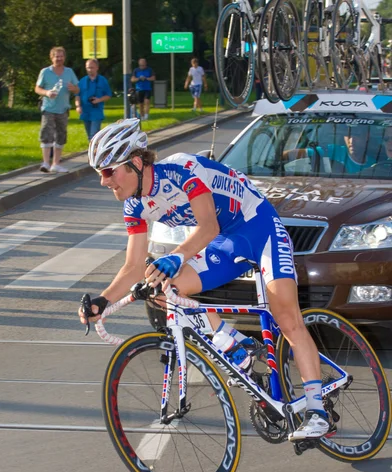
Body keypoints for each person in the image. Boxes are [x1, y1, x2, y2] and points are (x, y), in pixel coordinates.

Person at [78, 119, 333, 442]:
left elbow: (208, 227)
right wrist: (102, 301)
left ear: (136, 163)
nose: (104, 182)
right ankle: (233, 344)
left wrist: (177, 256)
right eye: (100, 173)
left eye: (108, 171)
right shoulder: (134, 205)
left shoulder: (182, 171)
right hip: (226, 242)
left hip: (258, 227)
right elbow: (131, 266)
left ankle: (316, 410)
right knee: (160, 287)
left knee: (286, 316)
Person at [35, 46, 79, 173]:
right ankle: (45, 163)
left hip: (63, 108)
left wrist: (73, 88)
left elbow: (77, 89)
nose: (59, 59)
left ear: (64, 58)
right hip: (48, 108)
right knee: (46, 134)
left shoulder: (69, 72)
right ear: (51, 57)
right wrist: (47, 92)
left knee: (61, 135)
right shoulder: (45, 72)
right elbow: (37, 88)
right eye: (56, 56)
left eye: (61, 56)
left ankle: (56, 163)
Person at [284, 125, 375, 174]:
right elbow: (295, 154)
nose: (351, 141)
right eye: (348, 136)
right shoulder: (332, 151)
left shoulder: (374, 165)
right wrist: (274, 159)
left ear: (366, 136)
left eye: (357, 136)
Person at [75, 59, 112, 141]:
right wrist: (78, 106)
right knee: (89, 136)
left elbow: (108, 95)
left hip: (96, 111)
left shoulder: (102, 80)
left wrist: (99, 100)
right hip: (85, 111)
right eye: (88, 68)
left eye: (92, 68)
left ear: (97, 68)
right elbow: (77, 95)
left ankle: (95, 152)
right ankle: (93, 151)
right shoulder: (82, 81)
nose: (90, 70)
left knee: (94, 135)